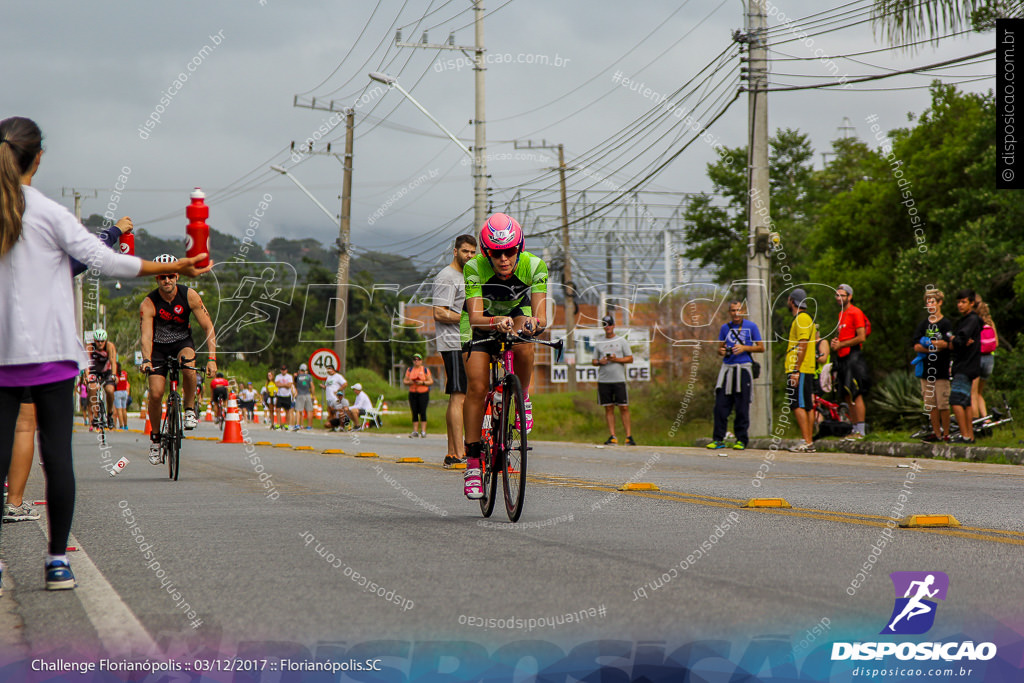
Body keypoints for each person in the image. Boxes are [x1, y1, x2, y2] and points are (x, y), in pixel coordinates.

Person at [0, 115, 211, 591]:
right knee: (58, 462)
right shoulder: (49, 213)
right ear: (38, 157)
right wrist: (175, 263)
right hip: (52, 354)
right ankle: (57, 561)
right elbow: (105, 259)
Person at [461, 213, 548, 499]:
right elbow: (474, 316)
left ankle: (520, 398)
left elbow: (541, 317)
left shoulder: (535, 266)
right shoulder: (474, 267)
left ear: (519, 248)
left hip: (516, 313)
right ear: (486, 252)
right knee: (476, 385)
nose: (503, 259)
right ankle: (473, 463)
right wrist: (495, 320)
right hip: (481, 321)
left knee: (525, 341)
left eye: (510, 252)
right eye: (496, 254)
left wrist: (535, 325)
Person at [140, 255, 218, 464]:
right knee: (156, 394)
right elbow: (146, 336)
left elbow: (208, 326)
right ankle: (155, 439)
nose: (167, 281)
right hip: (158, 348)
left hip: (182, 342)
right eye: (163, 277)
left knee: (189, 368)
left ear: (177, 276)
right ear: (157, 279)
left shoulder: (189, 295)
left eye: (171, 276)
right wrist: (146, 360)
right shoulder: (149, 303)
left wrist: (212, 358)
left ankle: (190, 409)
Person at [432, 234, 477, 467]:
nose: (469, 256)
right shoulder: (447, 276)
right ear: (455, 251)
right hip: (454, 343)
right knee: (460, 397)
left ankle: (452, 452)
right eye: (465, 251)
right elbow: (439, 312)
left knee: (458, 395)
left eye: (472, 252)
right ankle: (460, 453)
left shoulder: (466, 276)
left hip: (464, 341)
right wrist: (469, 320)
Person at [707, 301, 763, 451]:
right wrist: (723, 351)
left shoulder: (751, 327)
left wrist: (744, 347)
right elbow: (719, 349)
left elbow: (761, 347)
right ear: (729, 312)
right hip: (727, 369)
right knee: (720, 406)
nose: (736, 313)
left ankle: (741, 439)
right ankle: (718, 439)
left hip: (743, 369)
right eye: (733, 311)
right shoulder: (725, 328)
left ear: (743, 311)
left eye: (738, 310)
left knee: (742, 406)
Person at [830, 283, 871, 440]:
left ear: (850, 296)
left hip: (853, 356)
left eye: (842, 295)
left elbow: (861, 337)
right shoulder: (841, 314)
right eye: (837, 295)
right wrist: (836, 343)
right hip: (842, 357)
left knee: (856, 392)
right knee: (846, 393)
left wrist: (842, 344)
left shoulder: (855, 312)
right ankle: (854, 428)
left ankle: (861, 429)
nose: (839, 298)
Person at [912, 289, 953, 442]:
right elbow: (916, 345)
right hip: (926, 370)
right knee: (931, 404)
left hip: (941, 369)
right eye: (927, 302)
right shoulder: (923, 324)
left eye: (932, 302)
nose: (930, 305)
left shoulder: (945, 323)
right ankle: (936, 433)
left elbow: (947, 343)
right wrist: (934, 346)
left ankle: (947, 433)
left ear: (939, 303)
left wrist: (930, 343)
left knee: (943, 403)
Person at [592, 315, 636, 446]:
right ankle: (613, 436)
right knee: (608, 408)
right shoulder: (599, 342)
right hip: (604, 380)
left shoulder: (621, 341)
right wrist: (601, 361)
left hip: (619, 380)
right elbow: (593, 361)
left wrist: (616, 359)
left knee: (624, 407)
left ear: (614, 325)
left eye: (610, 324)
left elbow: (630, 358)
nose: (608, 327)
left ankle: (629, 436)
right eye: (605, 324)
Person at [949, 289, 983, 444]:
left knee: (956, 401)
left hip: (965, 365)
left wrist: (955, 340)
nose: (960, 305)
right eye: (958, 302)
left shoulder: (971, 320)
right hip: (969, 364)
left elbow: (960, 339)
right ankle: (970, 436)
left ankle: (964, 436)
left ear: (971, 303)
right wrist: (955, 339)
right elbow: (957, 338)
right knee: (966, 401)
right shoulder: (966, 320)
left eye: (963, 302)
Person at [785, 288, 817, 453]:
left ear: (792, 301)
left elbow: (803, 344)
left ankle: (807, 441)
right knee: (806, 405)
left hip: (800, 368)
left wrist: (796, 370)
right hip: (805, 368)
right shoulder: (805, 319)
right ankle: (808, 441)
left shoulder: (801, 319)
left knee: (798, 404)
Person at [85, 328, 117, 428]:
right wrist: (86, 376)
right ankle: (95, 415)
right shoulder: (89, 347)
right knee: (92, 388)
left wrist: (114, 375)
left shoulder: (109, 346)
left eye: (102, 341)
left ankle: (110, 414)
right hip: (94, 371)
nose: (100, 343)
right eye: (98, 341)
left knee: (110, 390)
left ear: (105, 340)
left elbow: (113, 361)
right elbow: (87, 364)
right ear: (94, 341)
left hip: (106, 372)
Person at [972, 299, 998, 422]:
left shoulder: (974, 322)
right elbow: (996, 343)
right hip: (989, 360)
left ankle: (976, 421)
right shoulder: (990, 323)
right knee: (979, 393)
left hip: (977, 358)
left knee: (973, 393)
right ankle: (986, 419)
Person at [403, 354, 433, 438]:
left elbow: (430, 381)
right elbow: (405, 380)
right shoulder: (410, 370)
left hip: (423, 393)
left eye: (418, 360)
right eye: (415, 360)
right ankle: (415, 431)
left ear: (421, 361)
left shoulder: (425, 370)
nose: (416, 361)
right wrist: (410, 382)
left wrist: (422, 382)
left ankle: (423, 431)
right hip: (413, 392)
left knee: (422, 411)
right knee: (414, 411)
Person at [322, 365, 347, 431]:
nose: (328, 370)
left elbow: (345, 384)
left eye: (329, 369)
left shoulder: (338, 376)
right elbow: (328, 387)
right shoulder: (328, 377)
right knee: (331, 412)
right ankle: (333, 426)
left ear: (332, 369)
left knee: (340, 411)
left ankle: (342, 427)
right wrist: (323, 387)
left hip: (335, 398)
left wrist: (339, 390)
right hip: (329, 398)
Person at [293, 363, 314, 431]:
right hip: (307, 394)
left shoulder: (298, 377)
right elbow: (312, 386)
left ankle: (297, 424)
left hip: (300, 394)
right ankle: (309, 426)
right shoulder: (309, 376)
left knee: (298, 410)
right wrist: (313, 395)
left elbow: (294, 384)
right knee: (309, 411)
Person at [274, 365, 295, 430]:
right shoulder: (278, 376)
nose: (283, 371)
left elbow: (289, 385)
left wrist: (281, 384)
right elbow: (277, 384)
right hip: (280, 395)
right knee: (278, 410)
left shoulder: (289, 376)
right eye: (282, 370)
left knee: (287, 410)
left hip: (287, 395)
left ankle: (286, 424)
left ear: (286, 370)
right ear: (281, 370)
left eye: (284, 370)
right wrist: (285, 384)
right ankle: (279, 423)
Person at [112, 362, 130, 430]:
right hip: (124, 392)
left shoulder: (115, 375)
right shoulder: (124, 373)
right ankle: (126, 425)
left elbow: (115, 383)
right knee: (124, 410)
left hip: (118, 392)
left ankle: (121, 425)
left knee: (119, 410)